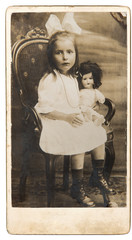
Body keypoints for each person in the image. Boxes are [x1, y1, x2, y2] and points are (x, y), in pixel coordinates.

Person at [35, 30, 111, 207]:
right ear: (51, 55)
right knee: (78, 137)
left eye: (69, 52)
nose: (65, 57)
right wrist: (67, 117)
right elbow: (44, 110)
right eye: (59, 52)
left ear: (75, 54)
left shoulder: (71, 77)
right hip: (55, 121)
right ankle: (77, 187)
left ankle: (98, 176)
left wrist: (85, 112)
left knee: (97, 131)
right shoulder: (50, 79)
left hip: (71, 118)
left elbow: (75, 101)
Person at [78, 61, 115, 194]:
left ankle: (98, 176)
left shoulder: (94, 92)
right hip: (80, 114)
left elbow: (103, 100)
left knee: (93, 117)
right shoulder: (78, 92)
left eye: (90, 78)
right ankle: (79, 183)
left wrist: (98, 101)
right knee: (84, 110)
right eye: (84, 78)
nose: (88, 81)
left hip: (90, 116)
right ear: (80, 79)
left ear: (95, 79)